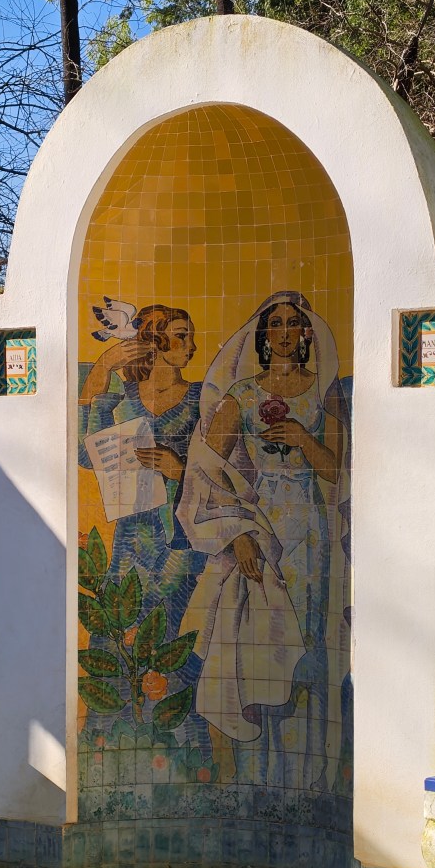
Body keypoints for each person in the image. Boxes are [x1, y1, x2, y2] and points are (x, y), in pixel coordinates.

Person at [178, 292, 351, 790]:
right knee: (259, 648)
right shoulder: (241, 395)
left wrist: (302, 438)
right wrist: (236, 534)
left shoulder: (323, 393)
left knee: (309, 647)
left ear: (307, 333)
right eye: (275, 324)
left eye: (294, 323)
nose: (284, 332)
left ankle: (305, 781)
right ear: (262, 335)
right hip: (260, 526)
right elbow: (205, 471)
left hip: (311, 535)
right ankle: (255, 779)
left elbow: (336, 471)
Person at [78, 303, 206, 706]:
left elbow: (228, 471)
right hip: (131, 541)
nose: (191, 345)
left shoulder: (202, 398)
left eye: (190, 336)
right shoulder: (125, 398)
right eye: (181, 335)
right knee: (116, 636)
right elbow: (86, 456)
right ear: (154, 340)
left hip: (179, 544)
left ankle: (178, 727)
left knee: (169, 638)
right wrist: (102, 368)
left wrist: (178, 469)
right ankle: (113, 728)